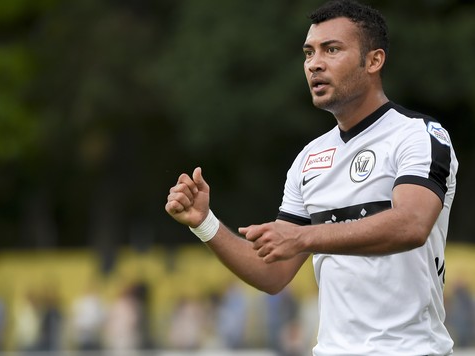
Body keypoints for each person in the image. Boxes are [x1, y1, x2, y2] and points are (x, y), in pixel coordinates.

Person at [165, 0, 458, 354]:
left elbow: (411, 224)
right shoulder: (309, 159)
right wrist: (204, 223)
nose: (314, 64)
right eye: (308, 53)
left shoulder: (418, 135)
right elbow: (273, 274)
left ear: (373, 60)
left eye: (331, 49)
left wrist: (304, 237)